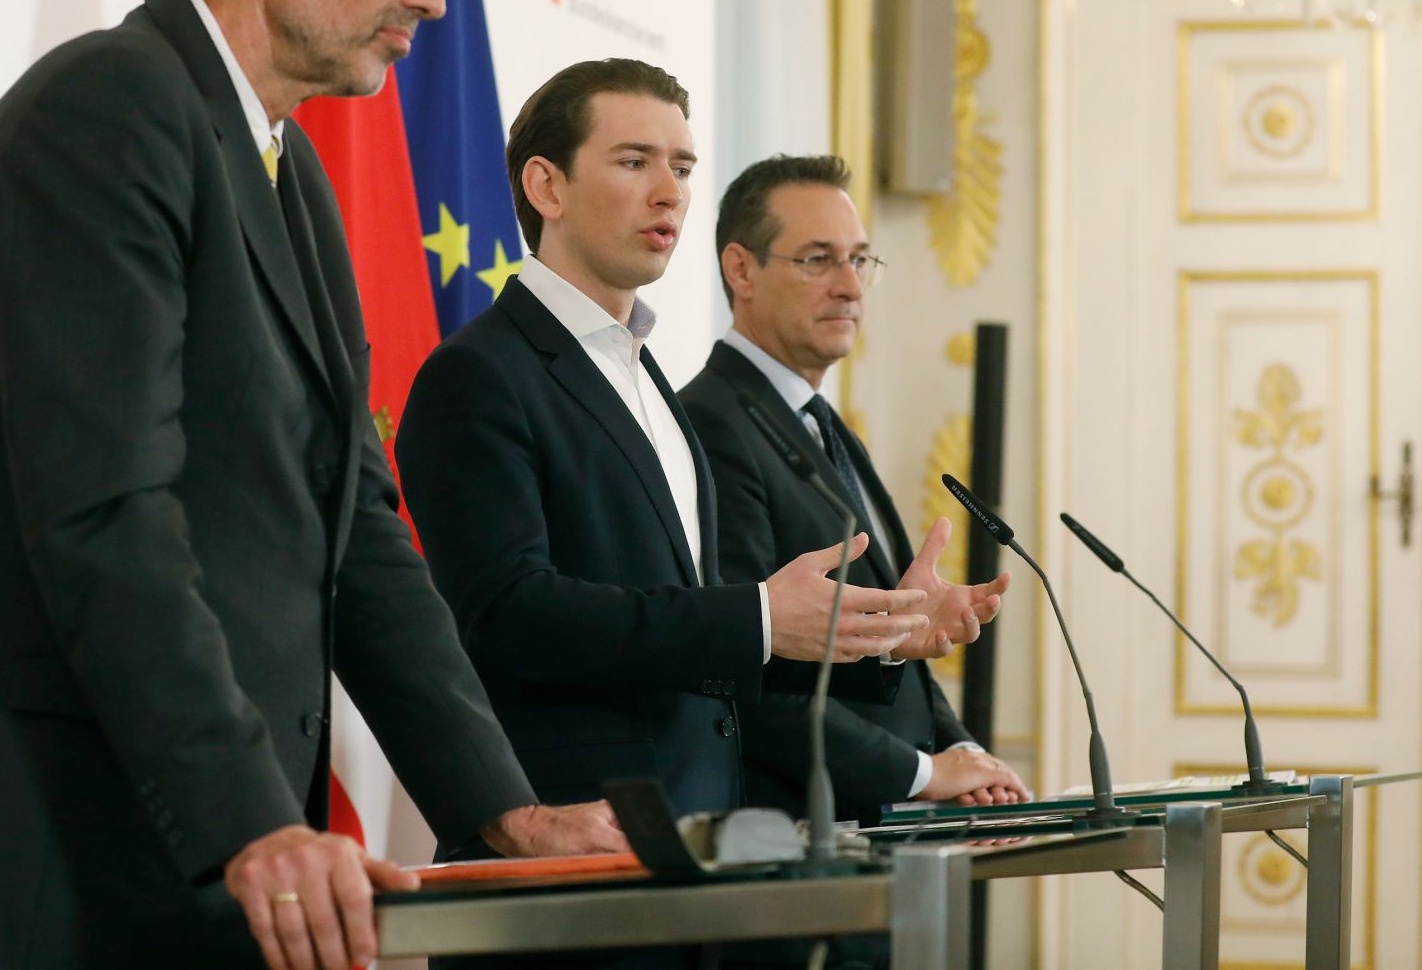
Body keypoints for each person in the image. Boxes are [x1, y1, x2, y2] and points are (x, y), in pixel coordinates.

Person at [0, 0, 620, 970]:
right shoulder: (106, 108)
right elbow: (106, 512)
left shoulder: (288, 171)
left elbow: (358, 527)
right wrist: (250, 817)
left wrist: (503, 808)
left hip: (211, 858)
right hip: (63, 849)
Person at [395, 60, 1009, 969]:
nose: (669, 192)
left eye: (682, 166)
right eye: (634, 159)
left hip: (698, 864)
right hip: (572, 864)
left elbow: (704, 648)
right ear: (546, 184)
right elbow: (506, 615)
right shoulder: (479, 375)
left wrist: (875, 635)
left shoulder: (649, 380)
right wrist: (759, 614)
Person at [678, 154, 1029, 969]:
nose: (850, 285)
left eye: (860, 259)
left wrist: (965, 757)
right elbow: (746, 666)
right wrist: (920, 770)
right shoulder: (712, 425)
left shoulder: (826, 428)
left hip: (876, 840)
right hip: (790, 848)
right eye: (818, 259)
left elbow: (880, 639)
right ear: (741, 269)